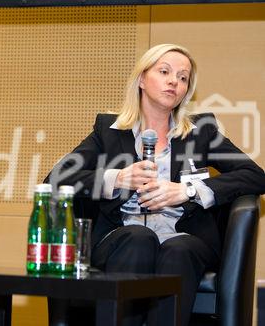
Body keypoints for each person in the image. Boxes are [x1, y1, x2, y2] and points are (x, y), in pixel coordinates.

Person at [46, 43, 265, 325]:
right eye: (165, 71)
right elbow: (55, 179)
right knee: (139, 237)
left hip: (185, 239)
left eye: (183, 77)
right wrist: (116, 178)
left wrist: (187, 191)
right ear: (141, 79)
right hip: (123, 235)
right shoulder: (109, 131)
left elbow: (255, 175)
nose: (174, 81)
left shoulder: (202, 132)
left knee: (178, 249)